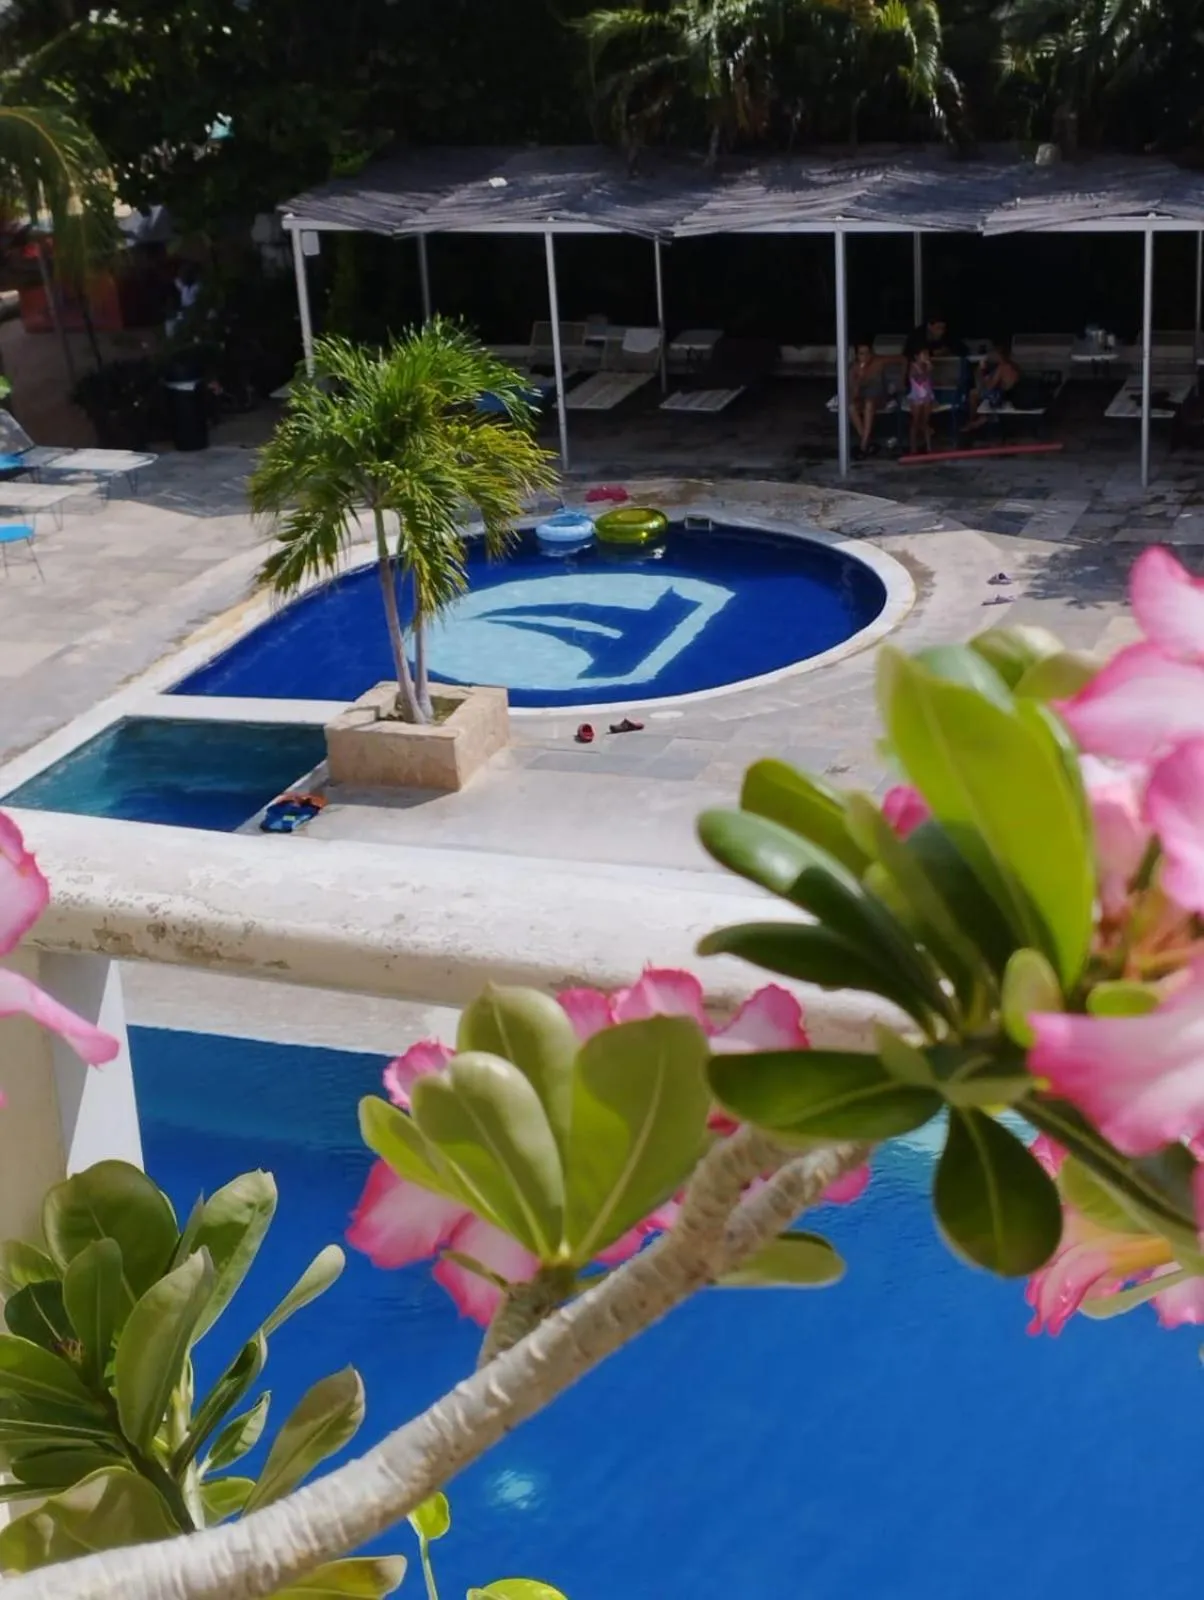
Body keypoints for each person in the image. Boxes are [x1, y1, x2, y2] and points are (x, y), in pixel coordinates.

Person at [963, 337, 1020, 432]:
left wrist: (982, 371)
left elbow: (990, 386)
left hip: (1002, 397)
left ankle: (974, 420)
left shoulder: (1002, 368)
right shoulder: (1012, 365)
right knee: (975, 393)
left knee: (973, 394)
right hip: (1008, 394)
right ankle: (979, 419)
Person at [847, 339, 888, 456]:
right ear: (857, 355)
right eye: (861, 353)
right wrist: (859, 380)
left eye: (867, 353)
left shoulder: (878, 364)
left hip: (878, 398)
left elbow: (882, 389)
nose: (865, 356)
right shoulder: (853, 368)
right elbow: (853, 395)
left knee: (869, 403)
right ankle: (867, 441)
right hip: (861, 398)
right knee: (851, 407)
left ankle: (863, 444)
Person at [907, 347, 935, 453]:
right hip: (916, 396)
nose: (926, 357)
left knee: (926, 421)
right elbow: (919, 380)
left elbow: (930, 383)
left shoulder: (929, 367)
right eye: (924, 354)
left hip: (927, 395)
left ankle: (929, 447)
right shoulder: (913, 367)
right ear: (917, 356)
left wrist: (930, 371)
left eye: (927, 354)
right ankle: (913, 448)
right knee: (915, 421)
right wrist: (927, 371)